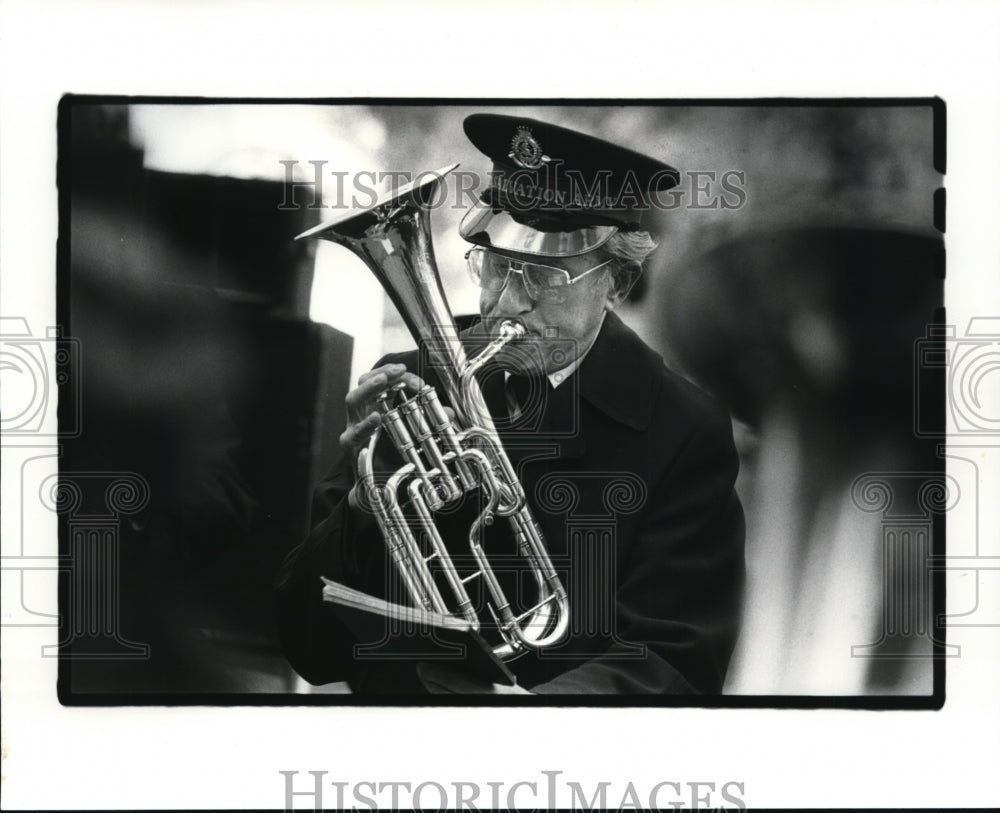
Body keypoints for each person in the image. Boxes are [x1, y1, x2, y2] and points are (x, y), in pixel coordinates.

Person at [274, 114, 745, 695]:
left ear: (616, 284)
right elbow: (306, 647)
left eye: (546, 275)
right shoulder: (414, 381)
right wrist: (361, 509)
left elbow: (674, 663)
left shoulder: (684, 429)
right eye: (497, 264)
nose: (509, 302)